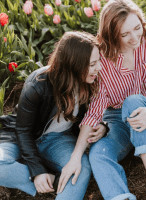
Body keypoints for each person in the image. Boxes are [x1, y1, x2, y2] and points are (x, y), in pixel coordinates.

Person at [58, 0, 146, 199]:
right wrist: (76, 157)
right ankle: (121, 196)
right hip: (117, 118)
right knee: (98, 153)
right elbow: (96, 109)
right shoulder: (101, 55)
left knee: (133, 102)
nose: (135, 37)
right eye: (125, 34)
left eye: (138, 28)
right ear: (111, 35)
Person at [0, 31, 106, 199]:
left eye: (98, 61)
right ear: (74, 64)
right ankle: (53, 182)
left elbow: (100, 110)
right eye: (92, 64)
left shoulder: (92, 82)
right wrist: (37, 172)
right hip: (19, 137)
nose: (98, 68)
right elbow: (23, 131)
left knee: (81, 168)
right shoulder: (38, 84)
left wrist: (103, 126)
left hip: (57, 139)